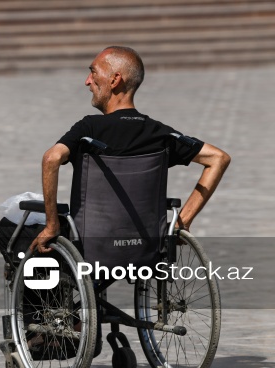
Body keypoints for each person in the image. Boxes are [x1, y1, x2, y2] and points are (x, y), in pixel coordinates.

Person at [30, 46, 231, 254]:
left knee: (10, 228)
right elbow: (218, 158)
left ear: (115, 80)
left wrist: (52, 225)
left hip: (92, 246)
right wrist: (182, 221)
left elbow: (51, 159)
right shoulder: (159, 133)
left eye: (93, 72)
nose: (87, 81)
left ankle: (52, 284)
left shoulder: (88, 129)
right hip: (145, 247)